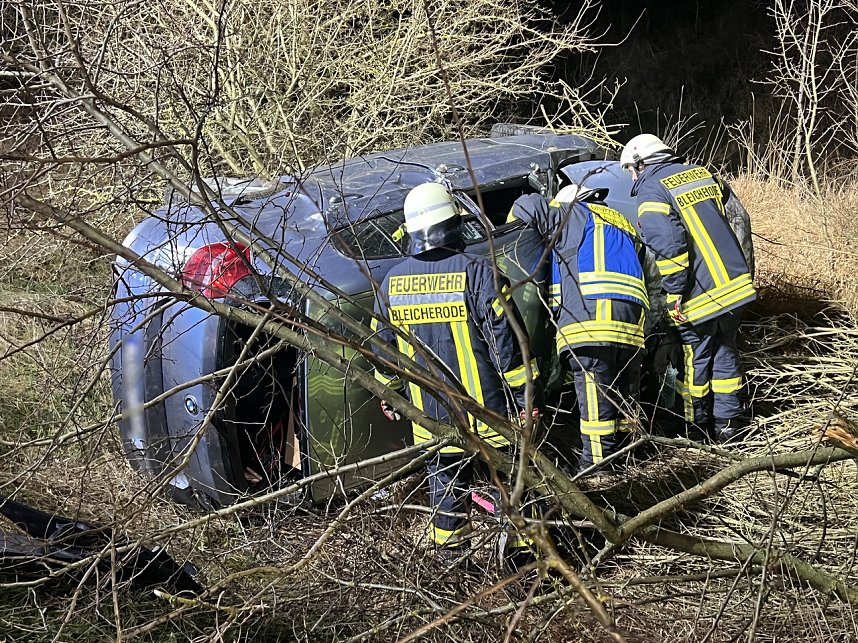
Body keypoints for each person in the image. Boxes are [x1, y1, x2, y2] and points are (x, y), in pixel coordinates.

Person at [371, 182, 539, 561]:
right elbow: (509, 343)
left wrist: (391, 395)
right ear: (454, 225)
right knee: (509, 486)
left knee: (446, 491)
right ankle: (522, 565)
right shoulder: (480, 273)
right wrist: (524, 398)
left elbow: (382, 350)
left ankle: (452, 563)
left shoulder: (391, 284)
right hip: (491, 416)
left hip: (431, 420)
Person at [620, 134, 757, 441]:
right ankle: (729, 427)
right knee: (725, 354)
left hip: (700, 294)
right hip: (735, 286)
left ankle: (697, 429)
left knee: (695, 359)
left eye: (630, 169)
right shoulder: (703, 174)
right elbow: (738, 220)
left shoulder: (653, 190)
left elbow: (669, 247)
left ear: (642, 163)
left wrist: (674, 294)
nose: (631, 177)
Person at [510, 183, 648, 475]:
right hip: (631, 322)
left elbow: (527, 204)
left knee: (596, 397)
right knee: (624, 395)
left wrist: (512, 229)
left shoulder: (573, 214)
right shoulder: (621, 222)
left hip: (592, 320)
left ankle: (598, 467)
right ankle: (632, 459)